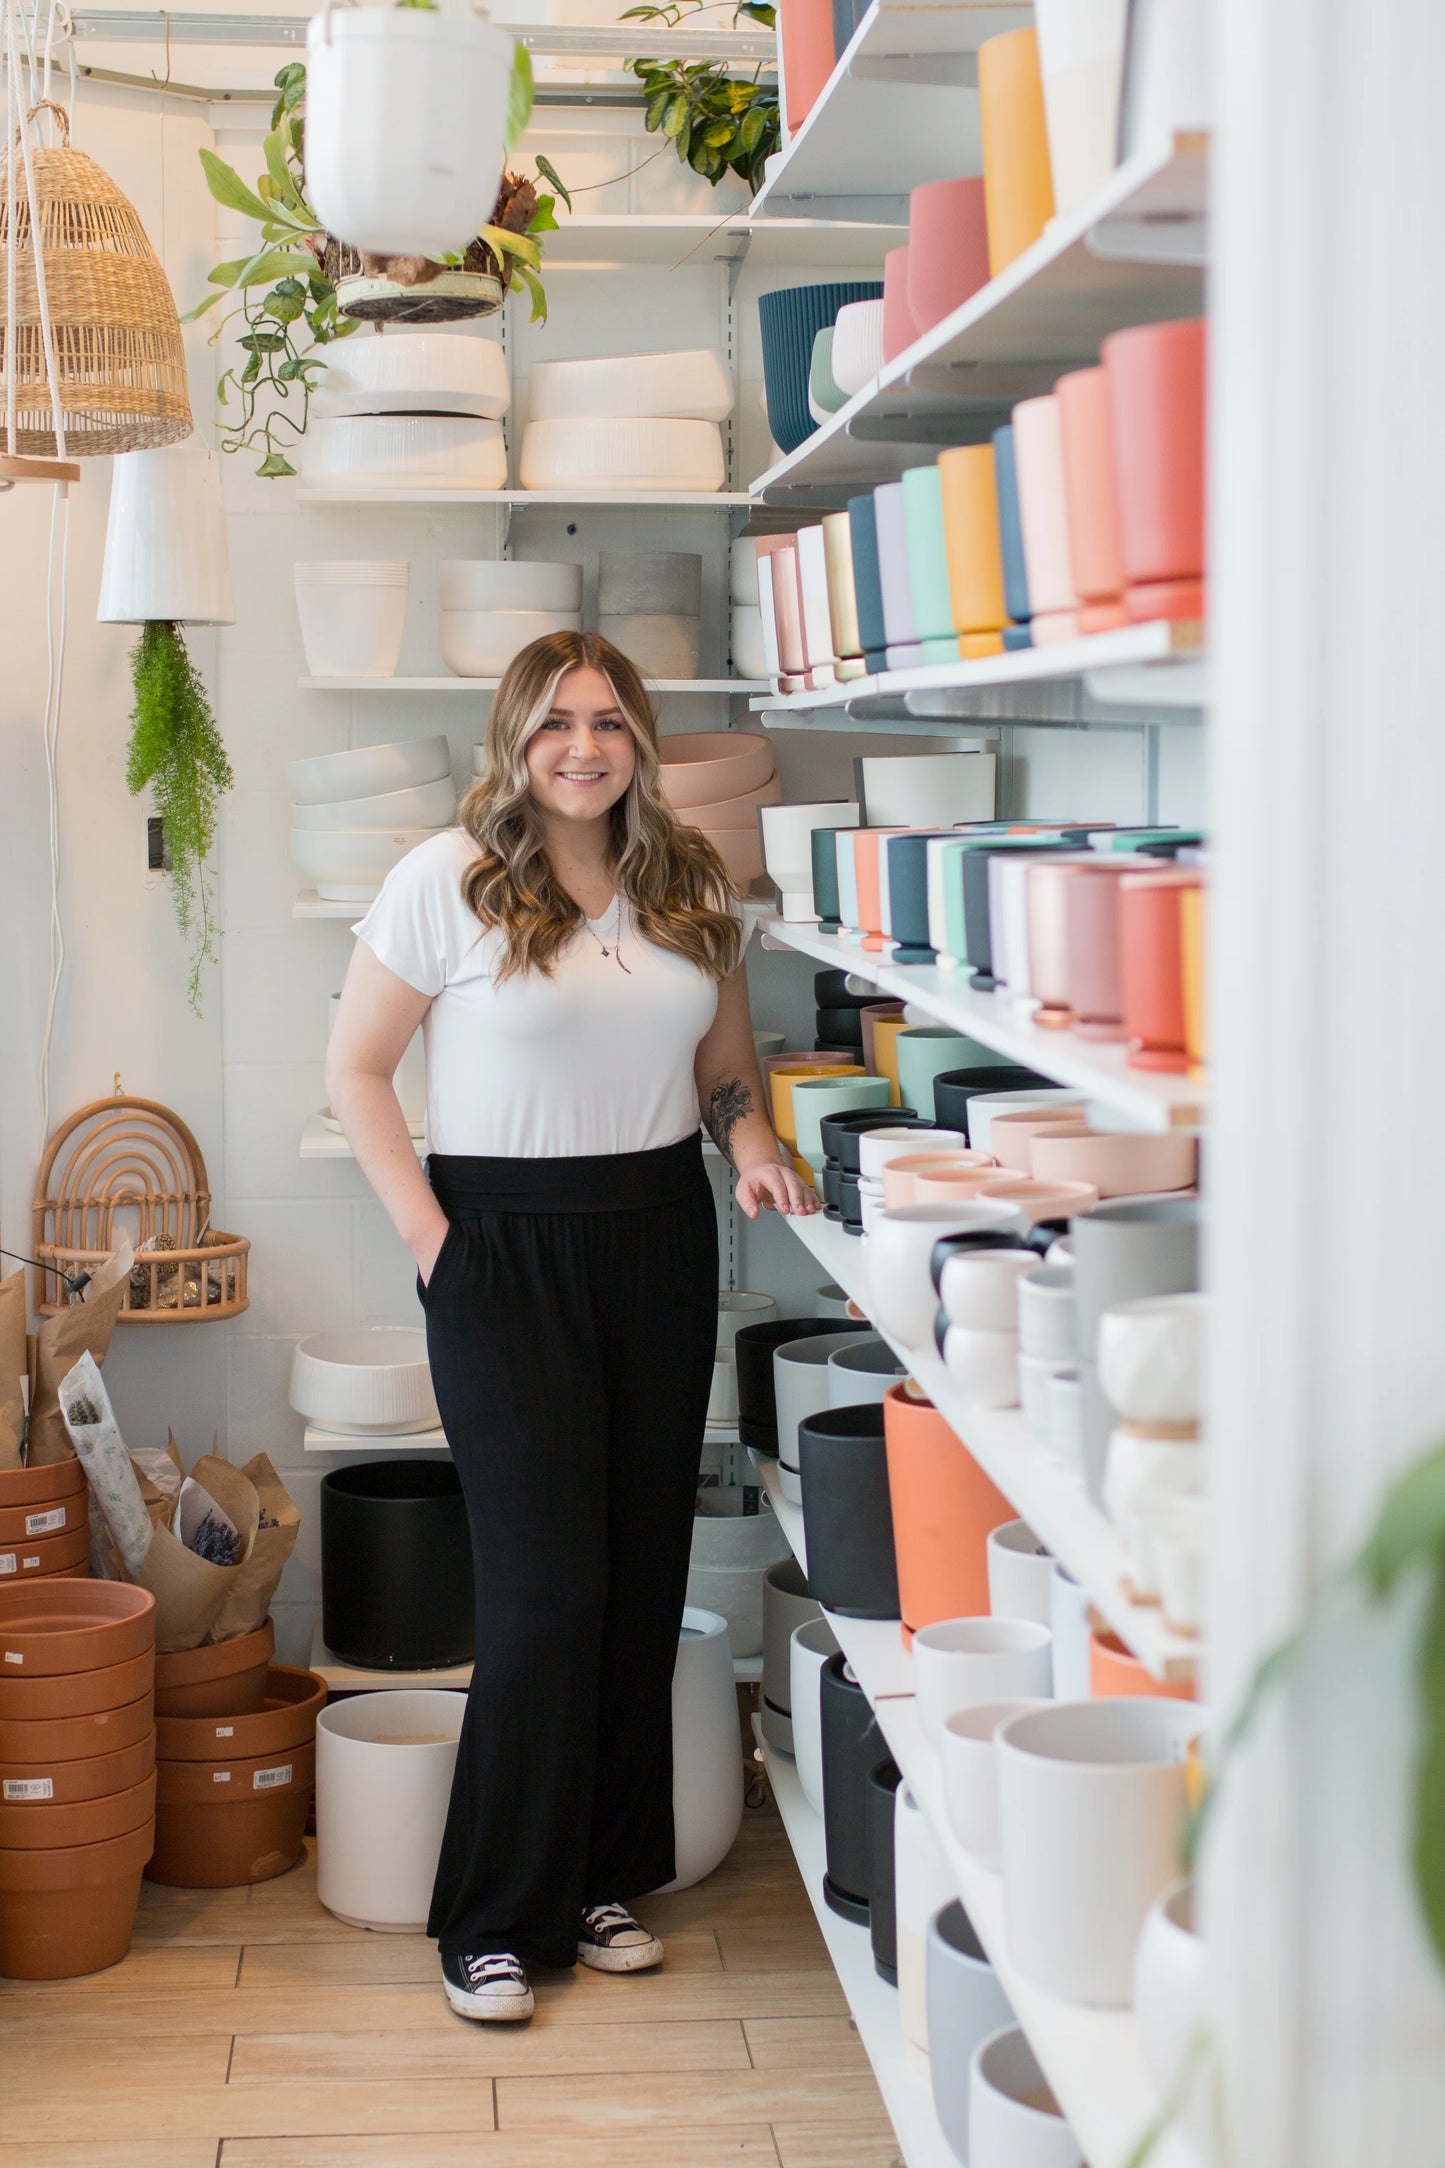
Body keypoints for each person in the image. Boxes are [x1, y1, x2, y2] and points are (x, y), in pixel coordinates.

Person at [327, 628, 817, 2022]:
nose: (584, 747)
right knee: (543, 1598)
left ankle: (599, 1877)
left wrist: (757, 1145)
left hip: (657, 1239)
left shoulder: (687, 883)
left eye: (607, 721)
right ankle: (487, 1919)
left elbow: (725, 1066)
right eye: (555, 724)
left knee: (631, 1581)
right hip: (502, 1250)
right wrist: (438, 1250)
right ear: (515, 737)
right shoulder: (449, 878)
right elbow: (357, 1070)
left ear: (640, 739)